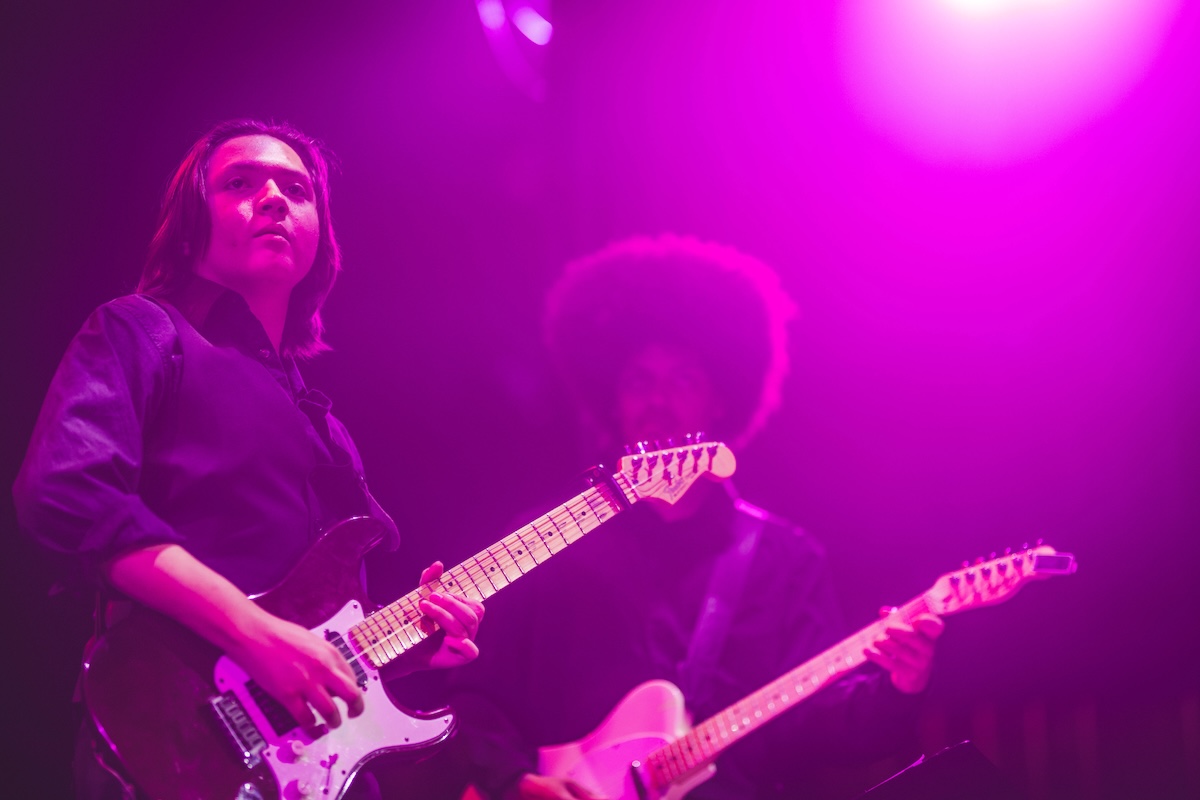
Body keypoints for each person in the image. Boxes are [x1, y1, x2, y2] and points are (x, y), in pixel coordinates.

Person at [12, 119, 485, 800]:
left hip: (318, 766)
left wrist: (410, 644)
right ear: (189, 223)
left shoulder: (327, 428)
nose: (272, 198)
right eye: (240, 183)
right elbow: (66, 493)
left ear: (320, 235)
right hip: (175, 744)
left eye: (295, 188)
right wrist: (254, 633)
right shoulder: (142, 329)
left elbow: (320, 628)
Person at [442, 234, 944, 800]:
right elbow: (478, 695)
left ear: (720, 399)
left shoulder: (785, 562)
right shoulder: (548, 541)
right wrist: (514, 785)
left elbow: (819, 727)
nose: (657, 400)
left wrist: (902, 686)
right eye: (638, 381)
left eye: (682, 379)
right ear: (613, 400)